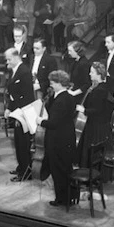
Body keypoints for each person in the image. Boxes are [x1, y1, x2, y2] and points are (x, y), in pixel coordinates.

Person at [36, 70, 77, 206]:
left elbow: (53, 123)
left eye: (52, 83)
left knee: (59, 171)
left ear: (59, 83)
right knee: (64, 169)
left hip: (58, 141)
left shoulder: (61, 101)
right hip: (66, 138)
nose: (50, 85)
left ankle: (62, 199)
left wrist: (40, 121)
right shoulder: (67, 97)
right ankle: (68, 197)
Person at [74, 62, 114, 167]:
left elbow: (97, 110)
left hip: (96, 127)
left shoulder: (99, 90)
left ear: (98, 74)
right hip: (100, 125)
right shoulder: (99, 87)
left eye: (92, 72)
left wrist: (84, 110)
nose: (89, 74)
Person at [3, 48, 34, 181]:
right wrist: (9, 108)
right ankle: (21, 167)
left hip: (23, 112)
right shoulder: (15, 70)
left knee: (23, 143)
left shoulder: (25, 71)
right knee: (18, 141)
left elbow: (27, 96)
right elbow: (12, 94)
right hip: (16, 111)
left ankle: (26, 172)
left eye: (9, 59)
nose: (7, 62)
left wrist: (19, 114)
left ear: (16, 57)